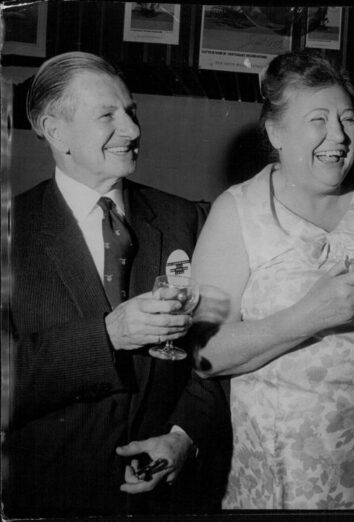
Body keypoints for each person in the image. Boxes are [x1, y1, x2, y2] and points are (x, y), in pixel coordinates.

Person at [5, 52, 230, 517]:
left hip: (167, 499)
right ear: (55, 131)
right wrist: (107, 335)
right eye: (108, 115)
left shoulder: (185, 218)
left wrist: (183, 436)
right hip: (50, 498)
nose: (131, 130)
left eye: (131, 112)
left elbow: (218, 349)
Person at [189, 49, 354, 509]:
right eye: (318, 120)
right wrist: (307, 316)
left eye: (347, 119)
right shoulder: (238, 210)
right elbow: (205, 354)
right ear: (275, 131)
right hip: (278, 482)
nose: (339, 136)